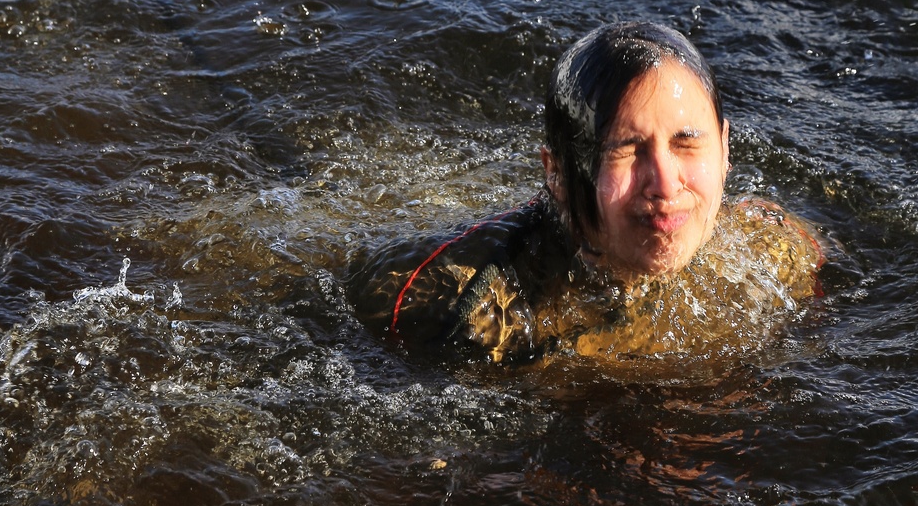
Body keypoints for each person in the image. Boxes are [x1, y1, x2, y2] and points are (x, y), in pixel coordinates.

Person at [350, 21, 823, 366]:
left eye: (686, 143)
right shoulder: (480, 314)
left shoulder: (780, 250)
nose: (664, 183)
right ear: (557, 174)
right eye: (627, 149)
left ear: (723, 149)